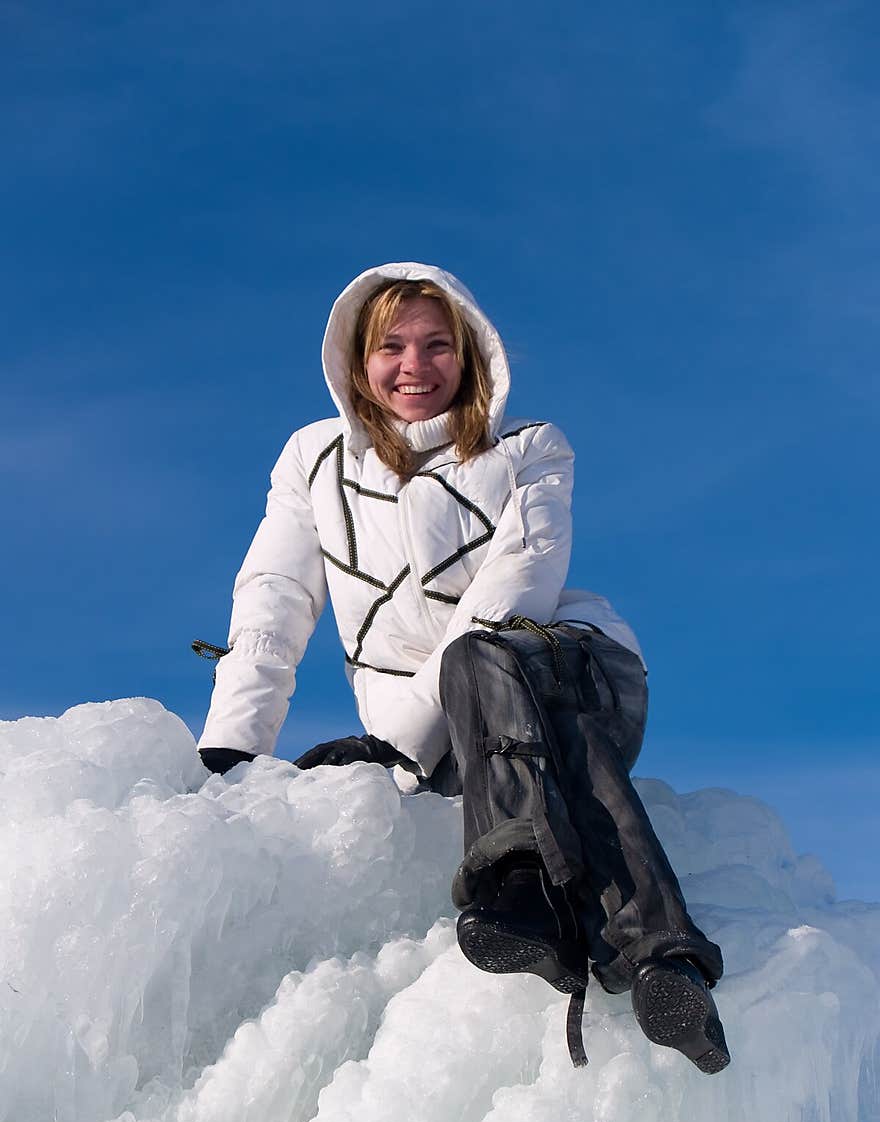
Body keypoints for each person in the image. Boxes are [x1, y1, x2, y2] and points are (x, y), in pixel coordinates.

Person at [196, 261, 729, 1073]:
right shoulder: (314, 460)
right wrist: (233, 745)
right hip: (471, 738)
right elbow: (274, 596)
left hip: (572, 661)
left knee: (489, 654)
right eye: (392, 346)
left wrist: (401, 740)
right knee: (542, 729)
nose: (416, 365)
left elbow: (520, 582)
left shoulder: (530, 449)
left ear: (472, 354)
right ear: (356, 361)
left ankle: (518, 884)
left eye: (438, 344)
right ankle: (667, 962)